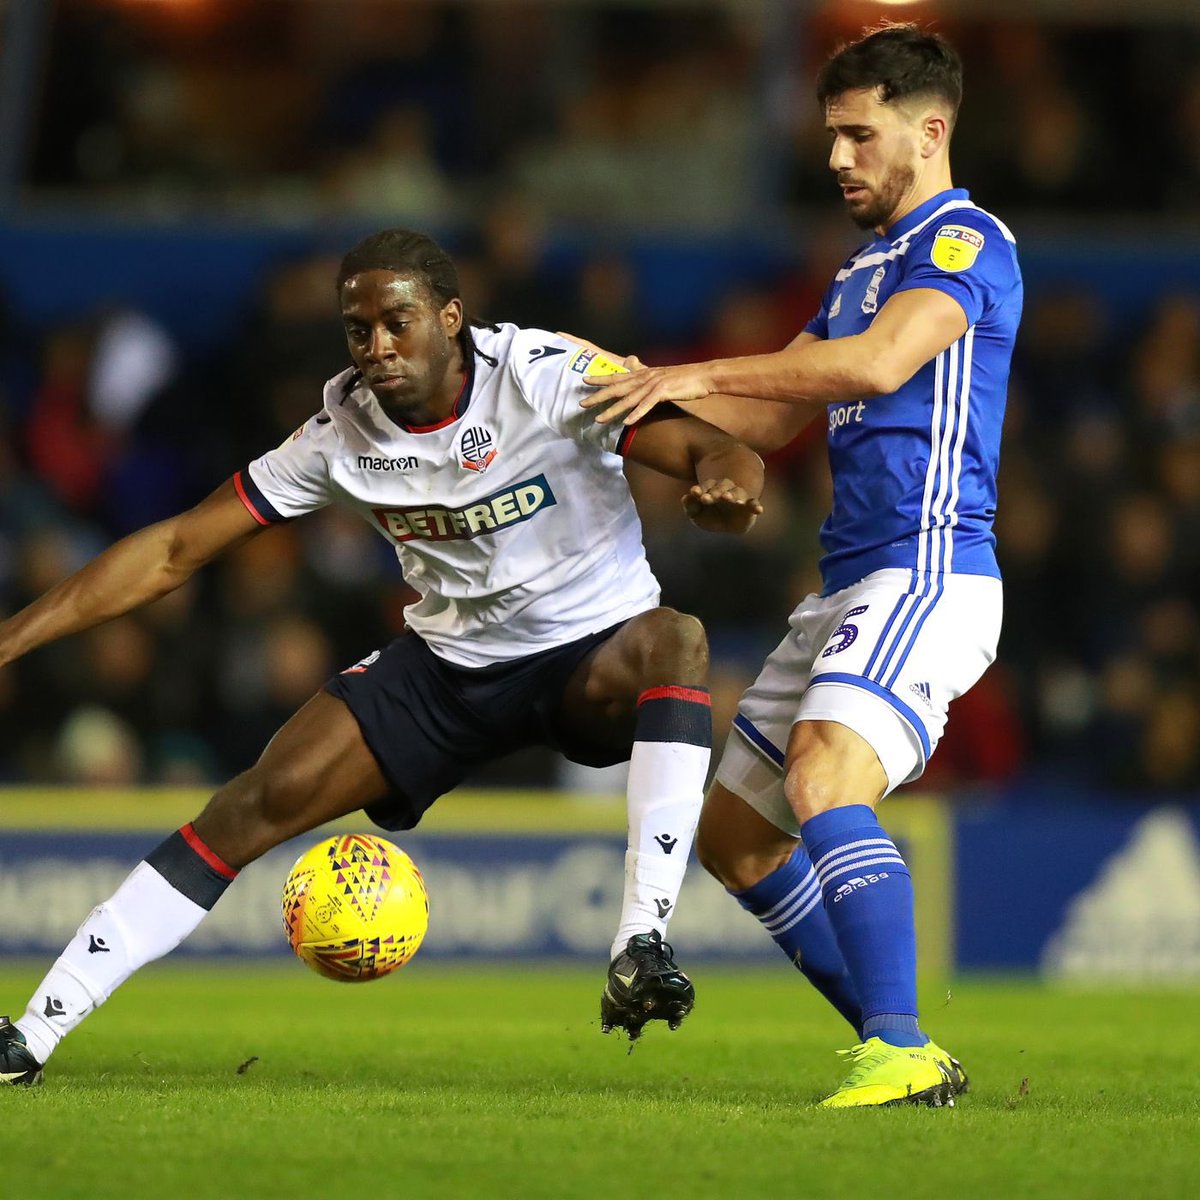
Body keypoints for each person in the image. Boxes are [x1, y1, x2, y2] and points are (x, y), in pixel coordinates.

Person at [0, 228, 765, 1086]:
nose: (377, 347)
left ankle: (639, 943)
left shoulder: (548, 378)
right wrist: (11, 639)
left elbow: (713, 447)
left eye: (397, 322)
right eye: (357, 330)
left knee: (680, 639)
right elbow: (177, 549)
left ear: (450, 316)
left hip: (592, 653)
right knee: (255, 802)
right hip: (448, 665)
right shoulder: (338, 434)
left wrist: (730, 485)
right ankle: (32, 1033)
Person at [582, 24, 1022, 1108]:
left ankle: (900, 1043)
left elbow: (872, 367)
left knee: (825, 776)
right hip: (845, 586)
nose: (836, 159)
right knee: (736, 838)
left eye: (859, 136)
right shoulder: (865, 264)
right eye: (830, 137)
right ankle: (899, 1049)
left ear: (929, 132)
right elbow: (772, 399)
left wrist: (694, 366)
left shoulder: (965, 244)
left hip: (929, 571)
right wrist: (632, 420)